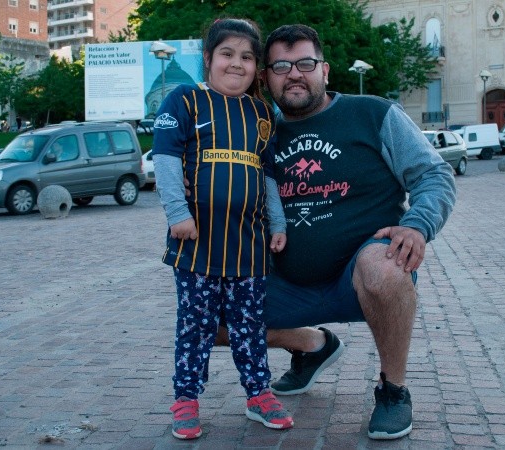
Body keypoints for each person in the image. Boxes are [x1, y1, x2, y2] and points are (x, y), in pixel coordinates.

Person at [213, 24, 456, 440]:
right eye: (281, 66)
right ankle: (312, 345)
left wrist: (418, 225)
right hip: (286, 282)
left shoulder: (373, 114)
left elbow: (434, 174)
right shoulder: (255, 129)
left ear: (325, 70)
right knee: (206, 315)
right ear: (265, 77)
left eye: (305, 63)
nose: (294, 74)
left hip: (361, 276)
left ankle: (393, 391)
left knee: (386, 263)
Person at [151, 17, 293, 440]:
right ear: (209, 58)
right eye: (227, 54)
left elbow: (267, 174)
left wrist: (278, 222)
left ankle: (258, 394)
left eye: (247, 57)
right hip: (196, 243)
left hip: (248, 246)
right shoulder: (184, 100)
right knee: (196, 325)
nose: (237, 64)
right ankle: (186, 400)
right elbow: (165, 160)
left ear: (257, 68)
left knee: (250, 325)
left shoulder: (263, 113)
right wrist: (177, 213)